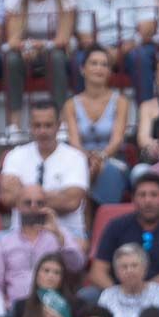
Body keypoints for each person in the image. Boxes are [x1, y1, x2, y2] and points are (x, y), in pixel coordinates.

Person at [0, 100, 89, 254]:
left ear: (58, 125)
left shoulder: (76, 157)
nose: (43, 131)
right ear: (30, 126)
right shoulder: (14, 155)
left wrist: (25, 194)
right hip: (20, 233)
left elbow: (71, 202)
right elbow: (8, 198)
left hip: (65, 231)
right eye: (37, 125)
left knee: (77, 248)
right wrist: (56, 195)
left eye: (48, 125)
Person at [0, 183, 87, 306]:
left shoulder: (59, 234)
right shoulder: (6, 242)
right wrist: (2, 304)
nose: (34, 207)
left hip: (53, 306)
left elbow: (76, 265)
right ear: (17, 206)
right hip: (17, 308)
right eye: (28, 203)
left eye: (40, 203)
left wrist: (59, 236)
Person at [89, 172, 159, 290]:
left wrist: (142, 292)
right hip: (119, 290)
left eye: (154, 195)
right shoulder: (116, 226)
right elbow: (97, 272)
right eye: (142, 195)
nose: (148, 200)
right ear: (133, 199)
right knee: (87, 295)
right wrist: (117, 295)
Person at [63, 45, 131, 206]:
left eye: (104, 64)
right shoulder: (70, 104)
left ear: (109, 72)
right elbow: (74, 142)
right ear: (82, 69)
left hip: (112, 159)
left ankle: (104, 222)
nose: (99, 68)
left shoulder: (121, 102)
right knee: (79, 171)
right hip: (80, 159)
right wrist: (87, 159)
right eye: (94, 63)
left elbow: (117, 140)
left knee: (106, 172)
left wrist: (99, 158)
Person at [3, 0, 75, 140]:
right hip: (26, 51)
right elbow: (13, 40)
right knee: (12, 60)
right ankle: (14, 126)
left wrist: (40, 45)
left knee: (56, 57)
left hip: (54, 49)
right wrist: (27, 47)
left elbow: (63, 38)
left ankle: (61, 122)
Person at [74, 0, 157, 105]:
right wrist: (103, 53)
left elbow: (147, 31)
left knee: (140, 57)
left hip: (133, 45)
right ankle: (82, 113)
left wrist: (121, 51)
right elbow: (84, 36)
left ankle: (146, 112)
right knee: (79, 60)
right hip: (97, 47)